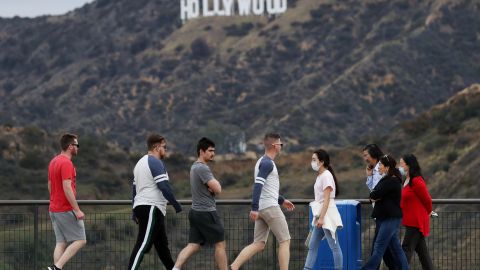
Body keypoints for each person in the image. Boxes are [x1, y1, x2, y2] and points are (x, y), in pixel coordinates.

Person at [230, 133, 295, 270]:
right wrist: (253, 208)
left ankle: (233, 268)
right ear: (274, 146)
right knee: (285, 241)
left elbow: (267, 189)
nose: (281, 146)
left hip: (263, 208)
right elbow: (258, 185)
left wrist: (282, 200)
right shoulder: (267, 163)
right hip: (270, 208)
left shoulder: (261, 161)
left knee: (258, 244)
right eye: (280, 144)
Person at [128, 134, 182, 270]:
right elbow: (163, 186)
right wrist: (176, 204)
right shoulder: (155, 162)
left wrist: (134, 210)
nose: (166, 150)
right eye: (164, 147)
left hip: (144, 206)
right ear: (157, 147)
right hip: (151, 207)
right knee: (143, 245)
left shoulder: (140, 163)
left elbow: (135, 189)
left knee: (162, 246)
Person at [173, 137, 227, 270]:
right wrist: (214, 186)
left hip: (195, 212)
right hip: (206, 212)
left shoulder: (194, 167)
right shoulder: (203, 168)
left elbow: (212, 188)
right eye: (210, 151)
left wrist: (211, 188)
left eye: (214, 150)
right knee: (220, 244)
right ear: (201, 152)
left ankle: (175, 269)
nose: (213, 153)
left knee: (193, 245)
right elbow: (218, 189)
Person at [361, 154, 409, 270]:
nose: (378, 168)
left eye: (380, 165)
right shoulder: (386, 179)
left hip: (390, 218)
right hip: (384, 218)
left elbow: (375, 194)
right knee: (397, 249)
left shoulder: (391, 181)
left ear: (387, 167)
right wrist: (375, 195)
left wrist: (376, 195)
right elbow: (373, 194)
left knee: (378, 248)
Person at [47, 133, 86, 270]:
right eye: (77, 145)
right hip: (65, 209)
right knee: (81, 240)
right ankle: (56, 267)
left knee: (61, 242)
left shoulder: (53, 161)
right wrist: (77, 210)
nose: (78, 148)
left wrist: (54, 199)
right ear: (70, 147)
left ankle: (56, 268)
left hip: (53, 208)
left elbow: (50, 185)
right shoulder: (66, 163)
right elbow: (67, 187)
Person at [304, 149, 343, 270]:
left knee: (334, 246)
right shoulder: (321, 176)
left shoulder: (326, 175)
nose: (312, 162)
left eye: (314, 159)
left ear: (321, 162)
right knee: (312, 245)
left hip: (326, 215)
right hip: (320, 214)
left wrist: (321, 218)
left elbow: (327, 199)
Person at [363, 144, 397, 270]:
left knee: (377, 247)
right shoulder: (375, 170)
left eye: (366, 155)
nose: (365, 158)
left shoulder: (381, 169)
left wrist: (373, 194)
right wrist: (369, 175)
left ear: (373, 154)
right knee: (388, 251)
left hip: (384, 213)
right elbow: (374, 191)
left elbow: (377, 192)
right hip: (381, 213)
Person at [399, 154, 434, 270]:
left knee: (406, 249)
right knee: (423, 253)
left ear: (408, 165)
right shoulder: (407, 180)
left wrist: (428, 212)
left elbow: (427, 200)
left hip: (416, 222)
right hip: (410, 220)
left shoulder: (416, 181)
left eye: (402, 163)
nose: (400, 166)